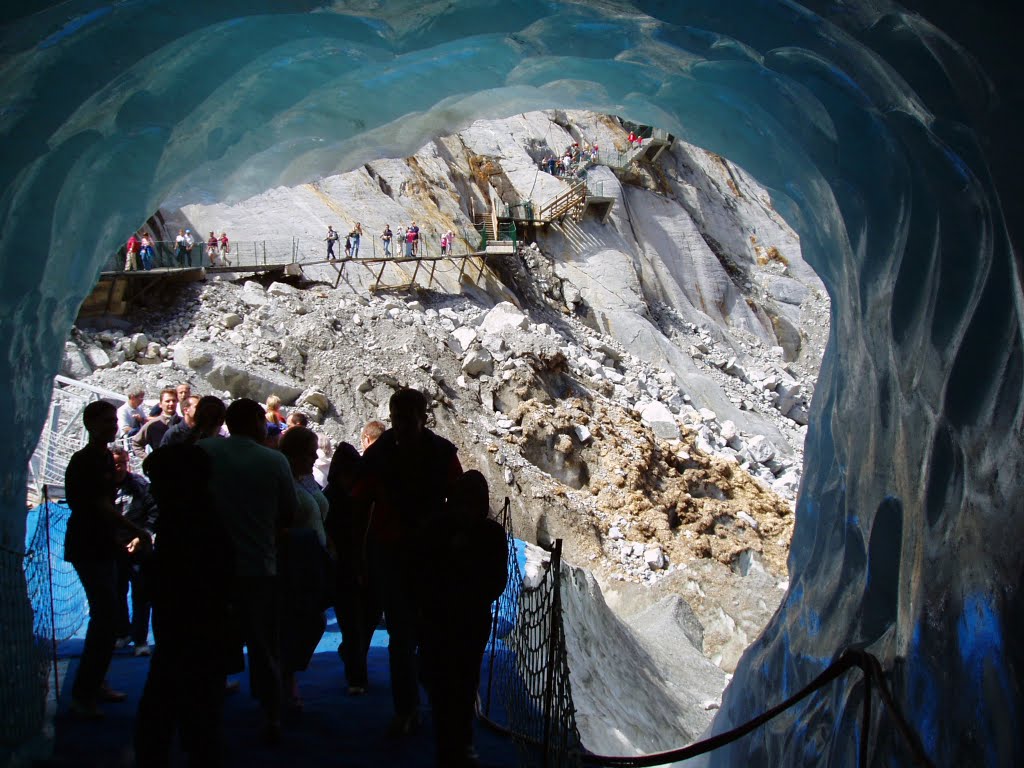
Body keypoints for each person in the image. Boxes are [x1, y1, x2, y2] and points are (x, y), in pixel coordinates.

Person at [353, 388, 463, 736]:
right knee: (401, 632)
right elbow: (359, 500)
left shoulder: (439, 453)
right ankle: (408, 706)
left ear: (422, 417)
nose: (400, 425)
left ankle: (427, 695)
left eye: (406, 418)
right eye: (396, 417)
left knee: (428, 628)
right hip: (394, 552)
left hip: (429, 552)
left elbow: (459, 501)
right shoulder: (386, 453)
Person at [199, 399, 298, 743]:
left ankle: (205, 717)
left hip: (210, 568)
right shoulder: (273, 460)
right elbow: (289, 511)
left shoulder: (205, 451)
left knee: (208, 644)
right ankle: (272, 716)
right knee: (264, 645)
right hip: (258, 565)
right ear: (258, 421)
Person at [134, 444, 235, 768]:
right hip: (203, 628)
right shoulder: (204, 516)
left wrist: (150, 565)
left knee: (171, 704)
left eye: (158, 481)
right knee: (199, 710)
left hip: (188, 628)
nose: (154, 490)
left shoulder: (186, 523)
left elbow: (180, 577)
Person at [63, 400, 149, 718]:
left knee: (108, 615)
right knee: (105, 616)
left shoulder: (101, 457)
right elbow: (99, 505)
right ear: (89, 423)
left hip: (102, 543)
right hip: (89, 545)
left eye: (114, 420)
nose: (113, 425)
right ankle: (84, 693)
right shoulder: (87, 460)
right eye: (106, 421)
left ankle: (95, 682)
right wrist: (135, 528)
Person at [420, 470, 508, 768]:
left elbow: (497, 581)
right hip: (456, 616)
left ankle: (457, 739)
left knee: (459, 678)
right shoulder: (448, 529)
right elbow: (497, 582)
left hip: (454, 617)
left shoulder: (442, 528)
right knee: (452, 678)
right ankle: (457, 738)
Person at [277, 427, 332, 710]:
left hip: (313, 559)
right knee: (295, 622)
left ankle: (287, 676)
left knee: (312, 621)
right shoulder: (280, 479)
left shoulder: (306, 477)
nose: (315, 455)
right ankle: (282, 683)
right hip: (290, 563)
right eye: (310, 450)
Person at [323, 442, 380, 696]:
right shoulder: (332, 498)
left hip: (361, 565)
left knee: (365, 620)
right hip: (346, 567)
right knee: (351, 622)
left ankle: (355, 659)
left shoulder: (356, 497)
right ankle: (356, 676)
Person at [111, 447, 159, 657]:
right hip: (112, 548)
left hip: (139, 547)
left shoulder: (140, 486)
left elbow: (154, 513)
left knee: (142, 595)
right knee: (115, 592)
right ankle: (122, 631)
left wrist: (142, 536)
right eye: (114, 463)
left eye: (122, 463)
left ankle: (140, 639)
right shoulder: (101, 487)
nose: (119, 467)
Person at [131, 388, 179, 459]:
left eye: (173, 401)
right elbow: (136, 443)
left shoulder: (184, 422)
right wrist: (149, 459)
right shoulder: (152, 425)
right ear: (160, 404)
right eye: (167, 401)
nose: (171, 403)